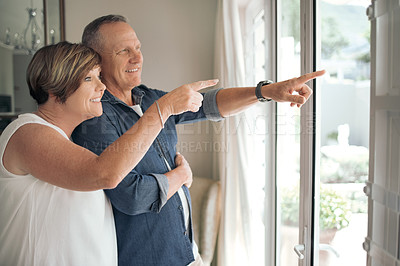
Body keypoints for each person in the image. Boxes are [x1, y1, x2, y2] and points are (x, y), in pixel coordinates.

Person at [72, 14, 325, 266]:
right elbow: (132, 196)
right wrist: (180, 176)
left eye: (137, 47)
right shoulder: (94, 118)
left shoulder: (148, 98)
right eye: (123, 51)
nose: (137, 58)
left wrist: (266, 92)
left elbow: (209, 104)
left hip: (187, 255)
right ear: (96, 61)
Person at [0, 41, 217, 266]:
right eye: (88, 79)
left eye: (99, 76)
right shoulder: (26, 132)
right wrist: (164, 109)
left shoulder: (76, 143)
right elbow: (105, 173)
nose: (101, 87)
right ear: (55, 89)